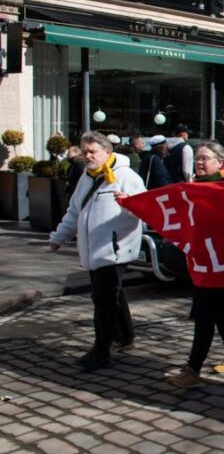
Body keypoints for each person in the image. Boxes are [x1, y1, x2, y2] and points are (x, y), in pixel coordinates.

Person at [49, 132, 146, 371]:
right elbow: (75, 211)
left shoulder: (126, 176)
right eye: (85, 151)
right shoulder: (86, 177)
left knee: (103, 300)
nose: (88, 156)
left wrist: (130, 204)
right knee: (112, 295)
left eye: (93, 151)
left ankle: (100, 350)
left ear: (108, 153)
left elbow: (146, 211)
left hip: (115, 249)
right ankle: (124, 335)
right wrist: (60, 236)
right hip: (93, 249)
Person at [168, 141, 224, 388]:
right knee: (220, 312)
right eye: (198, 159)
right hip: (203, 260)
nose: (199, 163)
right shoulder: (193, 187)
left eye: (205, 158)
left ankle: (193, 368)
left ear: (220, 162)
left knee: (204, 315)